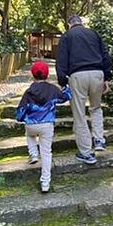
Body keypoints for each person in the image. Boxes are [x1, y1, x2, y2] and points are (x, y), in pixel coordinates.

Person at [56, 14, 113, 165]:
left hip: (77, 76)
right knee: (96, 108)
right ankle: (99, 140)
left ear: (69, 24)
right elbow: (105, 55)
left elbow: (61, 60)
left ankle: (86, 153)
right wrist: (107, 77)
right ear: (81, 23)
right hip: (97, 74)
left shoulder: (67, 36)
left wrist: (62, 81)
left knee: (80, 114)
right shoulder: (93, 33)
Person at [16, 61, 72, 193]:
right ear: (47, 75)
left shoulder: (29, 91)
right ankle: (45, 183)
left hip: (31, 124)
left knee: (29, 135)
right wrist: (67, 89)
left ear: (33, 75)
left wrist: (21, 119)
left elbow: (20, 112)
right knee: (46, 153)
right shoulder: (52, 89)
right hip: (47, 125)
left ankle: (33, 154)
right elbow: (65, 97)